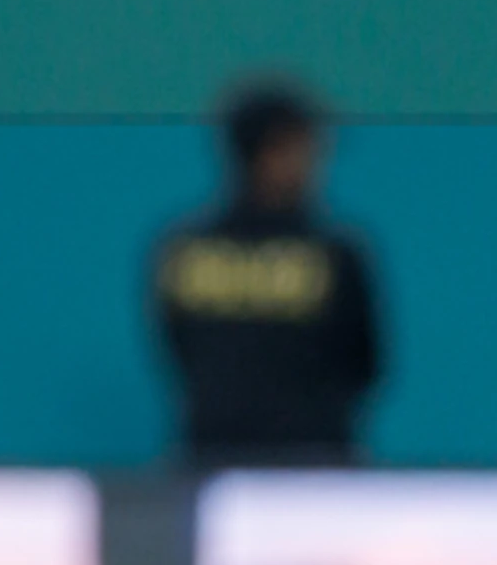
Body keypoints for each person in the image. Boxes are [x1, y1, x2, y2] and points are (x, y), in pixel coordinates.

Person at [150, 80, 384, 465]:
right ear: (270, 154)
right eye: (305, 148)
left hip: (214, 464)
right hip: (310, 470)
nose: (315, 164)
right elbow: (365, 365)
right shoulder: (334, 254)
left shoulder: (183, 251)